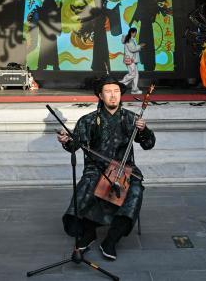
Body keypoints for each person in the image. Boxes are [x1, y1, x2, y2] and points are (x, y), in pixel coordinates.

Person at [56, 76, 156, 261]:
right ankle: (88, 232)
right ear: (100, 96)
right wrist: (66, 141)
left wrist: (144, 130)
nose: (113, 96)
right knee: (87, 186)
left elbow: (149, 144)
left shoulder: (131, 119)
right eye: (108, 91)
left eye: (116, 91)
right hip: (96, 167)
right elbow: (73, 146)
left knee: (134, 191)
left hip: (126, 170)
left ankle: (111, 239)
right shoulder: (87, 120)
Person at [120, 27, 145, 94]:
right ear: (132, 32)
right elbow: (132, 49)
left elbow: (133, 49)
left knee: (136, 74)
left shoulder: (131, 39)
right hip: (130, 60)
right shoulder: (129, 40)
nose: (135, 34)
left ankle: (134, 89)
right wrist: (140, 46)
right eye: (135, 33)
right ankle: (121, 84)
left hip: (132, 59)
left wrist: (139, 46)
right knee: (133, 74)